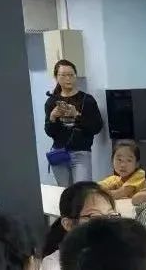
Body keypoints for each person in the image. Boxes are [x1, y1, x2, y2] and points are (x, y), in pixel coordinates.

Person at [36, 182, 119, 270]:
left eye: (111, 215)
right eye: (95, 217)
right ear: (68, 224)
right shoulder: (55, 261)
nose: (107, 224)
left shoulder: (121, 253)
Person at [44, 59, 104, 187]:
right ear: (56, 77)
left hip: (81, 152)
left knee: (82, 191)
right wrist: (53, 117)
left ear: (75, 76)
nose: (68, 79)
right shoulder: (51, 102)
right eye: (63, 75)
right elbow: (50, 132)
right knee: (65, 192)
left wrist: (76, 115)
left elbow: (97, 127)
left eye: (71, 75)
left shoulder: (87, 100)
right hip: (59, 152)